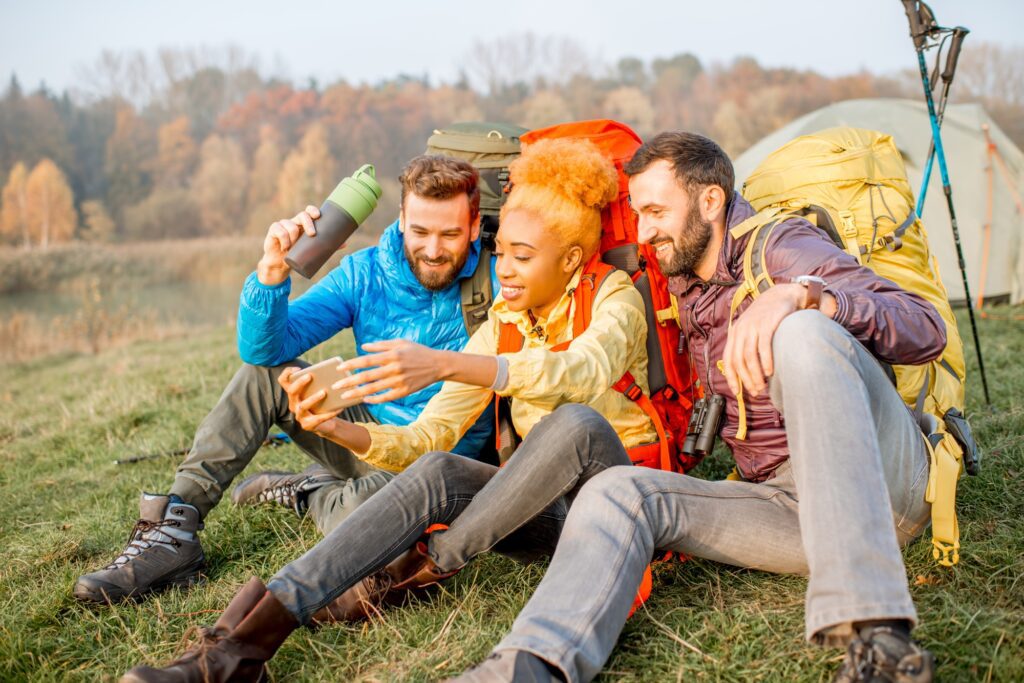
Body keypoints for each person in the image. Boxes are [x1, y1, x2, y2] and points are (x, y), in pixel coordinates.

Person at [119, 137, 660, 683]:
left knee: (572, 423)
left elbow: (584, 370)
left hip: (613, 495)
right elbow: (429, 438)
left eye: (520, 256)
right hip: (532, 509)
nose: (507, 269)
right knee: (432, 470)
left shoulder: (612, 296)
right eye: (504, 255)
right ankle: (231, 650)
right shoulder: (496, 321)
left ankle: (413, 561)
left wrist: (446, 364)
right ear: (400, 221)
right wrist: (337, 428)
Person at [453, 131, 947, 683]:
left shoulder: (782, 245)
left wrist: (800, 295)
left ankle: (878, 638)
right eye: (638, 212)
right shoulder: (685, 279)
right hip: (785, 502)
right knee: (618, 491)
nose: (644, 231)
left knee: (802, 334)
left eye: (657, 211)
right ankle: (528, 665)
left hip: (879, 488)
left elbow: (925, 327)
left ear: (710, 202)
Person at [74, 155, 495, 604]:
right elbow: (265, 351)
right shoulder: (366, 272)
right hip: (361, 431)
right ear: (402, 219)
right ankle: (173, 528)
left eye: (449, 234)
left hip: (439, 466)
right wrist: (271, 272)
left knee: (366, 524)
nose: (433, 249)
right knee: (264, 375)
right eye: (421, 232)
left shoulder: (500, 276)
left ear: (473, 227)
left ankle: (308, 491)